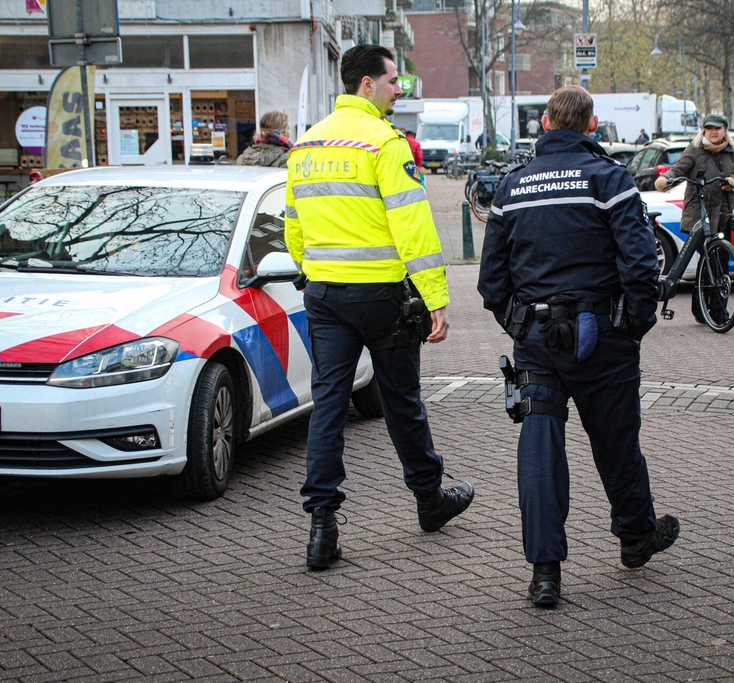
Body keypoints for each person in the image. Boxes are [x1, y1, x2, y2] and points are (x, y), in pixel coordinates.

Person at [478, 85, 679, 608]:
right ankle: (636, 538)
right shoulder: (609, 179)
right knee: (615, 441)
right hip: (601, 336)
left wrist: (516, 323)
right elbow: (640, 265)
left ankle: (545, 573)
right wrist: (632, 326)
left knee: (540, 451)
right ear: (592, 126)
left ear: (544, 124)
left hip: (538, 340)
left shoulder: (512, 186)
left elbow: (491, 279)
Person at [284, 44, 474, 570]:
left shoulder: (306, 144)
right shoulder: (385, 145)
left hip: (323, 295)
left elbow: (293, 227)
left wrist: (315, 268)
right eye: (393, 81)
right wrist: (435, 297)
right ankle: (430, 501)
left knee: (328, 407)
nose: (399, 90)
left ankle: (322, 525)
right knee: (401, 402)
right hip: (383, 297)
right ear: (366, 84)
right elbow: (412, 227)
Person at [653, 113, 734, 323]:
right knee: (713, 263)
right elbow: (678, 169)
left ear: (725, 131)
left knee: (717, 264)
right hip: (699, 216)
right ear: (704, 131)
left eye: (718, 129)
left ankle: (700, 309)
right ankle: (719, 315)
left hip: (722, 215)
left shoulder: (732, 152)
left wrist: (733, 180)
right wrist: (665, 179)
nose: (714, 132)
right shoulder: (695, 151)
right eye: (709, 129)